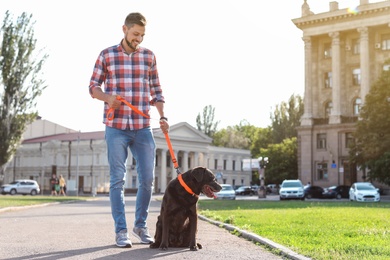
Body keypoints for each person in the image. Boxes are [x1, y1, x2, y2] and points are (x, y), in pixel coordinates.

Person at [89, 12, 169, 248]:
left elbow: (157, 91)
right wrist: (108, 97)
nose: (139, 39)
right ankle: (121, 231)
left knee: (147, 180)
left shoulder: (149, 57)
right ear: (124, 29)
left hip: (143, 127)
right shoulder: (107, 54)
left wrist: (163, 116)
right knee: (117, 180)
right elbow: (93, 87)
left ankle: (140, 226)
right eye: (135, 34)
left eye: (142, 35)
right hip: (116, 127)